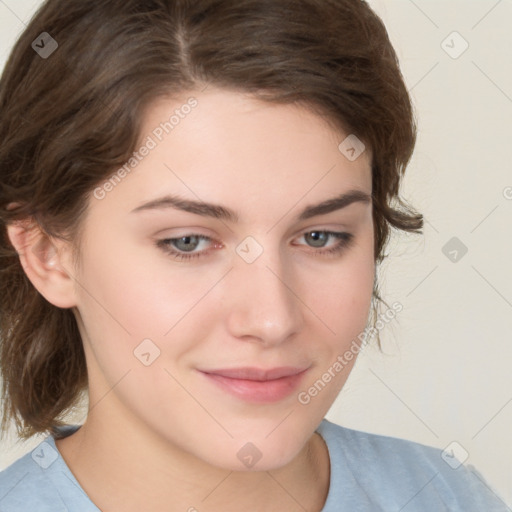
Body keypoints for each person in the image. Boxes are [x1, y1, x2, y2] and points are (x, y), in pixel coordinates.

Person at [0, 0, 509, 511]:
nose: (272, 319)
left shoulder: (448, 496)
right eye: (188, 242)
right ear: (48, 253)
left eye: (320, 236)